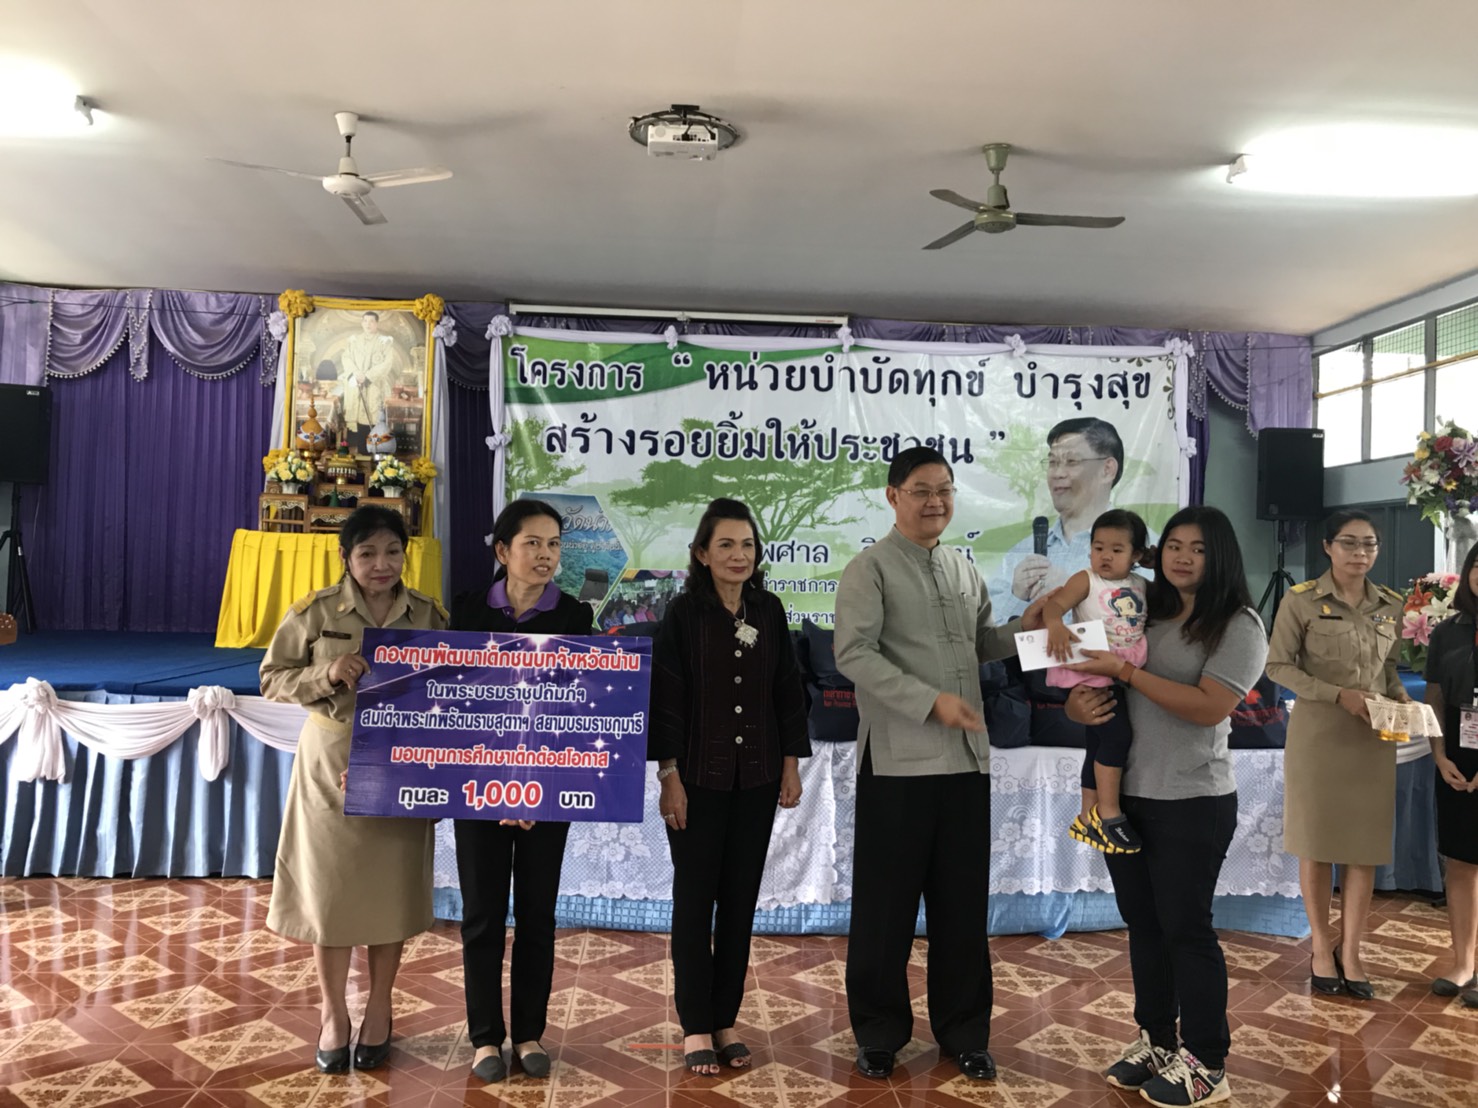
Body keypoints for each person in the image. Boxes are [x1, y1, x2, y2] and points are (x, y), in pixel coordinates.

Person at [834, 446, 1046, 1083]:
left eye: (946, 490)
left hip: (964, 763)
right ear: (893, 495)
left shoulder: (960, 566)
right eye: (922, 490)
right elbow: (854, 654)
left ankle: (964, 1033)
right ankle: (878, 1032)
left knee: (961, 910)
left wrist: (1032, 630)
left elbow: (984, 643)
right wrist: (930, 703)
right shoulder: (868, 569)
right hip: (898, 764)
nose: (936, 502)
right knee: (885, 910)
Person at [1063, 505, 1267, 1106]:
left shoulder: (1239, 624)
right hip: (1124, 798)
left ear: (1220, 555)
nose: (1181, 556)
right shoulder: (1140, 608)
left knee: (1186, 928)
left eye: (1197, 548)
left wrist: (1125, 675)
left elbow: (1209, 707)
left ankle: (1207, 1060)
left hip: (1191, 798)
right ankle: (1156, 1039)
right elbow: (1091, 682)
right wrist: (1079, 705)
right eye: (1173, 544)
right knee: (1144, 926)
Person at [261, 506, 447, 1075]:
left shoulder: (431, 616)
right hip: (332, 760)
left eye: (392, 551)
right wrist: (326, 672)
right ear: (346, 558)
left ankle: (381, 1008)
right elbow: (271, 678)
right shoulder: (315, 612)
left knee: (390, 893)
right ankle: (333, 1013)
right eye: (367, 553)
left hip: (401, 765)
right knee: (330, 896)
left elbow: (456, 689)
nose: (381, 564)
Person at [649, 498, 809, 1075]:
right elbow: (665, 700)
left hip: (760, 778)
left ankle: (726, 1020)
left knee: (740, 903)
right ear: (701, 554)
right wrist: (669, 776)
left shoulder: (768, 609)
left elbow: (788, 692)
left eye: (747, 545)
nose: (739, 555)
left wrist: (791, 765)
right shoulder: (682, 614)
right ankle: (695, 1025)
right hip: (697, 779)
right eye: (725, 545)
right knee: (695, 904)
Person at [450, 499, 594, 1083]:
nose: (545, 555)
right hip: (478, 789)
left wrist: (535, 788)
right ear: (502, 550)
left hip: (547, 791)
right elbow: (451, 704)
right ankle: (486, 1037)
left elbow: (579, 711)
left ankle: (529, 1033)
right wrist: (495, 785)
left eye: (554, 544)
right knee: (483, 915)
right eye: (532, 543)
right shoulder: (463, 610)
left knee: (537, 916)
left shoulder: (576, 617)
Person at [1266, 510, 1407, 1002]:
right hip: (1319, 736)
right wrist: (1335, 694)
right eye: (1349, 543)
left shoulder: (1390, 605)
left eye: (1369, 545)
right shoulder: (1301, 601)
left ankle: (1353, 952)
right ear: (1327, 547)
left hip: (1372, 740)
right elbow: (1278, 666)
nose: (1360, 553)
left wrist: (1405, 706)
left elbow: (1388, 674)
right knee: (1318, 844)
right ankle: (1322, 947)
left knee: (1363, 848)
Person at [1042, 509, 1152, 854]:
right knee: (1117, 736)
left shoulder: (1141, 585)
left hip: (1121, 669)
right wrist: (1056, 624)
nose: (1105, 556)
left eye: (1117, 550)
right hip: (1090, 671)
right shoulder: (1086, 579)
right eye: (1098, 547)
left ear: (1136, 555)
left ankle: (1087, 818)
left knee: (1098, 744)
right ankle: (1109, 812)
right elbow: (1054, 606)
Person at [989, 417, 1154, 621]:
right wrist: (1017, 597)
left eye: (1071, 461)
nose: (1057, 473)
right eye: (1052, 462)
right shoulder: (1022, 552)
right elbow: (988, 637)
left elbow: (1137, 631)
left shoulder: (1141, 549)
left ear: (1107, 469)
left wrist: (1073, 595)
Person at [1422, 540, 1478, 1005]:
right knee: (1460, 861)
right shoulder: (1448, 631)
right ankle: (1463, 963)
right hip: (1459, 746)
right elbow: (1435, 698)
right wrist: (1440, 755)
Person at [339, 311, 399, 451]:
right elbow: (346, 358)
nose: (368, 324)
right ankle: (362, 452)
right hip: (358, 385)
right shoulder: (354, 340)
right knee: (360, 416)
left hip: (374, 385)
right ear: (361, 323)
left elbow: (387, 363)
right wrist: (356, 373)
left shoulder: (384, 342)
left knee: (374, 416)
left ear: (376, 323)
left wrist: (368, 376)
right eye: (365, 321)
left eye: (371, 321)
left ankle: (376, 452)